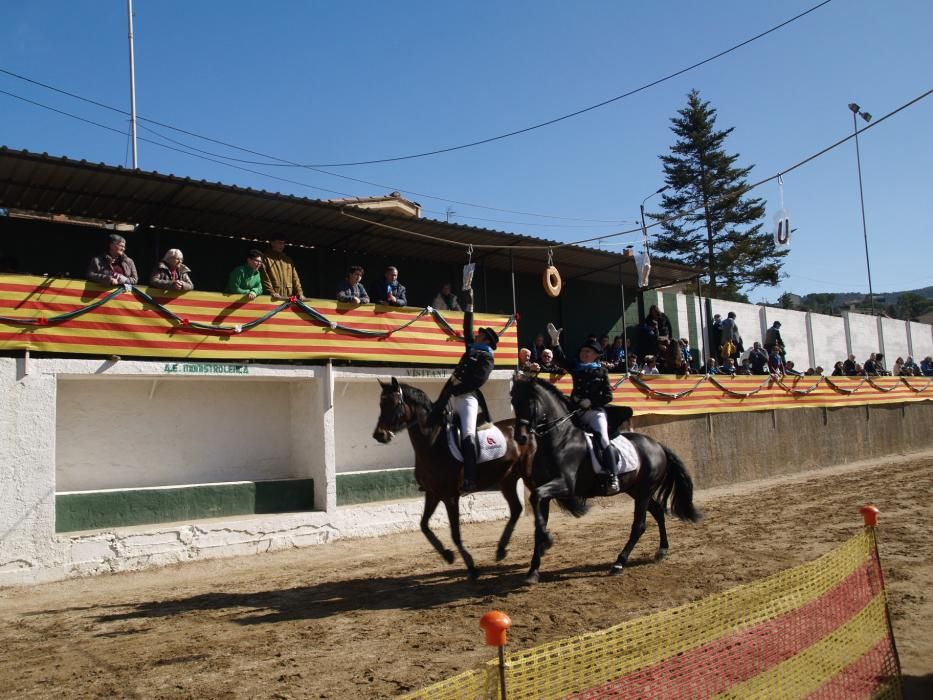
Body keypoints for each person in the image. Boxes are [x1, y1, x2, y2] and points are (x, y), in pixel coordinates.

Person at [428, 287, 497, 492]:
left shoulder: (486, 357)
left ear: (486, 341)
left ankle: (470, 479)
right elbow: (468, 327)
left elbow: (479, 380)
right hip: (451, 394)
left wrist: (458, 387)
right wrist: (470, 304)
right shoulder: (473, 348)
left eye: (480, 335)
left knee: (467, 434)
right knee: (435, 427)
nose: (476, 335)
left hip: (468, 398)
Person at [548, 325, 622, 493]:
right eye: (582, 351)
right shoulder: (576, 367)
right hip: (575, 412)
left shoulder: (601, 371)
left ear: (596, 355)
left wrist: (591, 401)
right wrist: (555, 343)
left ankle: (613, 476)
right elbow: (561, 360)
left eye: (588, 352)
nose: (584, 353)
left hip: (595, 413)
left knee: (603, 439)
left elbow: (608, 396)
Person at [261, 235, 305, 300]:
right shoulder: (265, 258)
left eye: (283, 243)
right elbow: (264, 277)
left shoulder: (288, 260)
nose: (282, 245)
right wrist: (271, 292)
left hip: (287, 298)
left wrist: (300, 293)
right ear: (272, 243)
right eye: (279, 243)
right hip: (272, 299)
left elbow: (295, 278)